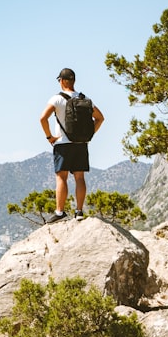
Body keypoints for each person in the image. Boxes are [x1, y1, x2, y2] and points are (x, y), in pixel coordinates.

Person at [39, 67, 104, 221]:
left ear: (63, 81)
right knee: (80, 178)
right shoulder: (85, 99)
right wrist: (89, 135)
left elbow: (43, 118)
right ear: (73, 81)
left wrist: (49, 137)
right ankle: (79, 212)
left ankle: (60, 212)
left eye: (60, 80)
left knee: (61, 177)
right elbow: (100, 118)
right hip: (81, 144)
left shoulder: (57, 99)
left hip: (63, 144)